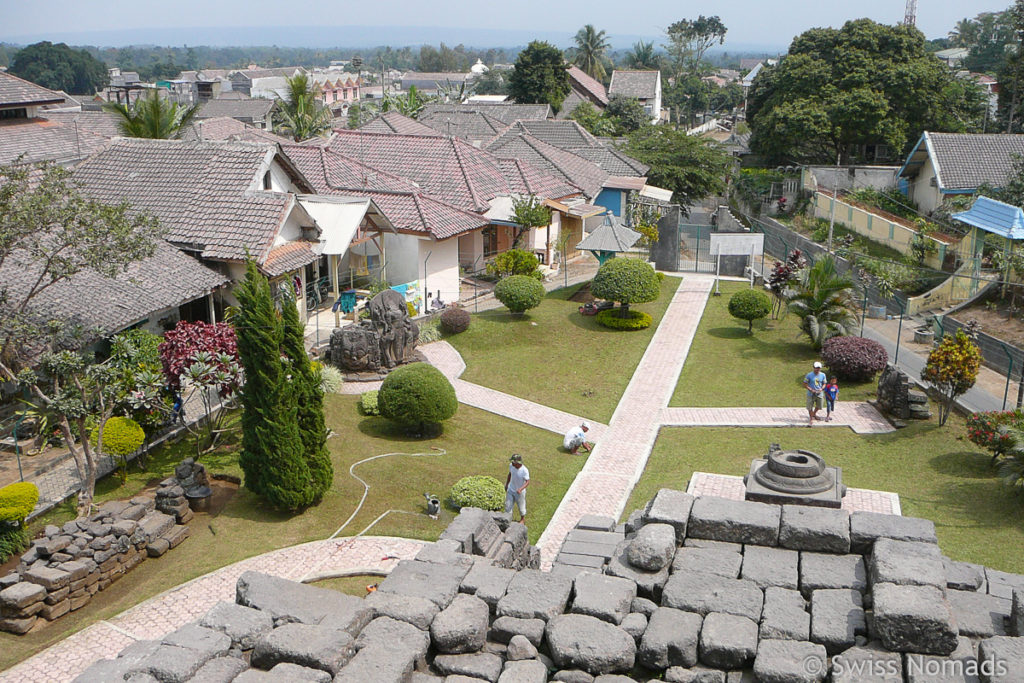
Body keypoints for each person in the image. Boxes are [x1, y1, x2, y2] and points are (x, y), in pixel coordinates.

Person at [505, 454, 530, 524]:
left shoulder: (524, 470)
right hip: (511, 489)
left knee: (521, 506)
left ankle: (522, 519)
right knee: (508, 506)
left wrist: (520, 489)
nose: (512, 463)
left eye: (513, 462)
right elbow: (509, 474)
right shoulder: (511, 466)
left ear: (518, 462)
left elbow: (528, 482)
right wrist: (507, 484)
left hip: (519, 492)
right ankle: (508, 519)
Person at [803, 361, 827, 426]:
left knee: (819, 405)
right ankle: (811, 418)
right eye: (816, 368)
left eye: (819, 368)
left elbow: (824, 383)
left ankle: (813, 414)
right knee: (810, 406)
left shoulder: (823, 375)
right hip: (811, 394)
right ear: (813, 367)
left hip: (819, 393)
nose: (817, 369)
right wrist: (811, 389)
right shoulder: (809, 375)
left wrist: (821, 389)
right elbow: (805, 384)